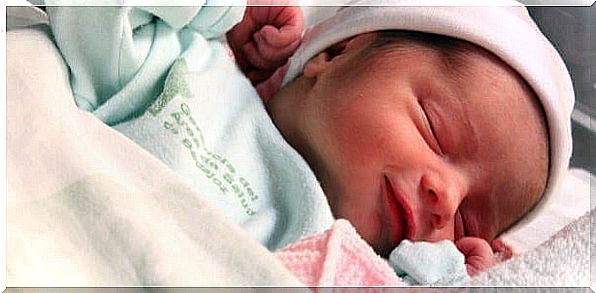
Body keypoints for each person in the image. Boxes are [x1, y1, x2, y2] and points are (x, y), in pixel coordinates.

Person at [45, 1, 574, 277]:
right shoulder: (185, 74)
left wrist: (458, 275)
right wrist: (222, 8)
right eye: (434, 130)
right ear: (334, 55)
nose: (446, 198)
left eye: (467, 221)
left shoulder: (377, 267)